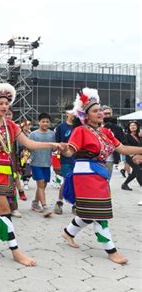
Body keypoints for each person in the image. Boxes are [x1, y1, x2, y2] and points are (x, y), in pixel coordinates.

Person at [0, 83, 62, 266]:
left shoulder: (11, 126)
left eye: (6, 103)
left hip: (6, 170)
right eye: (0, 103)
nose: (4, 106)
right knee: (4, 210)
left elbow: (29, 144)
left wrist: (52, 145)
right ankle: (16, 251)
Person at [60, 88, 142, 265]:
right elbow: (70, 152)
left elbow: (123, 149)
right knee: (100, 213)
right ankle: (111, 250)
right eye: (96, 110)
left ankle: (68, 232)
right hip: (84, 175)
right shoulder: (80, 131)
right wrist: (63, 148)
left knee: (91, 212)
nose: (101, 113)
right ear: (86, 115)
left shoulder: (106, 133)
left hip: (100, 173)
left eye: (101, 110)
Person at [29, 113, 55, 217]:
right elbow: (29, 146)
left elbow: (54, 148)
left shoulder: (52, 134)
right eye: (43, 121)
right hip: (36, 163)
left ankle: (35, 203)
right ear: (38, 122)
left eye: (47, 121)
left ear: (50, 123)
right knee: (40, 183)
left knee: (43, 186)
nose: (45, 123)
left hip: (47, 163)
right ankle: (45, 207)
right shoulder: (33, 134)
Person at [54, 105, 75, 215]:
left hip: (78, 159)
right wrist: (62, 147)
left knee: (76, 181)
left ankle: (75, 205)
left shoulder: (79, 127)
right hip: (66, 159)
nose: (74, 114)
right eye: (72, 111)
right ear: (67, 113)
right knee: (67, 179)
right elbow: (56, 144)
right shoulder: (61, 127)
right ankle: (59, 202)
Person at [101, 105, 126, 178]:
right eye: (105, 113)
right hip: (96, 158)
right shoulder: (95, 125)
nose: (108, 115)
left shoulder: (117, 128)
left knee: (107, 179)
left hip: (110, 157)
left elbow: (122, 141)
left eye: (109, 113)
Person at [121, 121, 142, 190]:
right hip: (130, 156)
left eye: (134, 125)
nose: (132, 127)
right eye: (131, 126)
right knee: (138, 170)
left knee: (134, 173)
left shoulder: (139, 136)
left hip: (139, 156)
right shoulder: (126, 135)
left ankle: (124, 184)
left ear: (137, 127)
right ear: (129, 128)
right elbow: (125, 145)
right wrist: (131, 154)